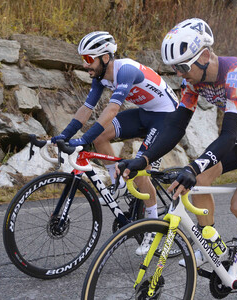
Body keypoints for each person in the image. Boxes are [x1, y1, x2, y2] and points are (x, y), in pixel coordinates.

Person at [117, 18, 237, 299]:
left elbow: (227, 134)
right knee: (198, 179)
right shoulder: (194, 81)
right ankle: (209, 242)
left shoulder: (235, 74)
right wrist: (143, 159)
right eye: (176, 69)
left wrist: (192, 164)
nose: (180, 74)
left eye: (184, 67)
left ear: (206, 56)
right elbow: (175, 126)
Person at [51, 31, 179, 254]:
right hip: (146, 112)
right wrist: (65, 134)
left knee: (139, 168)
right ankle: (117, 183)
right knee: (101, 137)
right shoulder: (100, 76)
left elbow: (111, 109)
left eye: (89, 59)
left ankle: (152, 227)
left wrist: (83, 139)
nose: (85, 65)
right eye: (83, 59)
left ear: (106, 58)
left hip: (166, 117)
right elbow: (87, 107)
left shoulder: (126, 70)